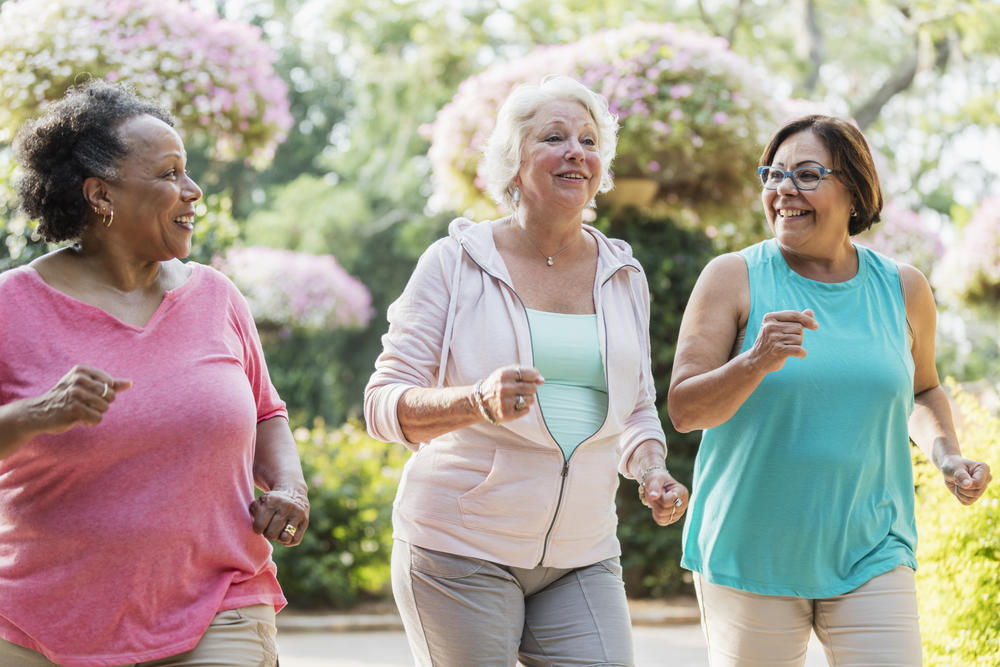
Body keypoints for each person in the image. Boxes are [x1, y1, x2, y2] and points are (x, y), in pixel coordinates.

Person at [364, 75, 689, 667]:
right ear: (514, 162)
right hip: (458, 548)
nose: (576, 151)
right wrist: (475, 402)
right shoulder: (454, 263)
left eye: (589, 141)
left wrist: (651, 470)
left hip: (582, 552)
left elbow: (637, 405)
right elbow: (383, 405)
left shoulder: (623, 273)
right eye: (555, 137)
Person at [0, 81, 309, 666]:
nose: (192, 192)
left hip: (219, 600)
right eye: (168, 174)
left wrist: (290, 487)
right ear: (100, 195)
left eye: (187, 172)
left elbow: (268, 414)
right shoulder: (10, 306)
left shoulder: (216, 296)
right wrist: (37, 414)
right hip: (43, 620)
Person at [668, 114, 993, 666]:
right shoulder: (733, 276)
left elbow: (922, 391)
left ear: (855, 190)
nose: (783, 190)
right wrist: (755, 362)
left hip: (872, 548)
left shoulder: (903, 287)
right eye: (773, 174)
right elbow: (685, 409)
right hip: (752, 552)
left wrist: (947, 455)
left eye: (807, 174)